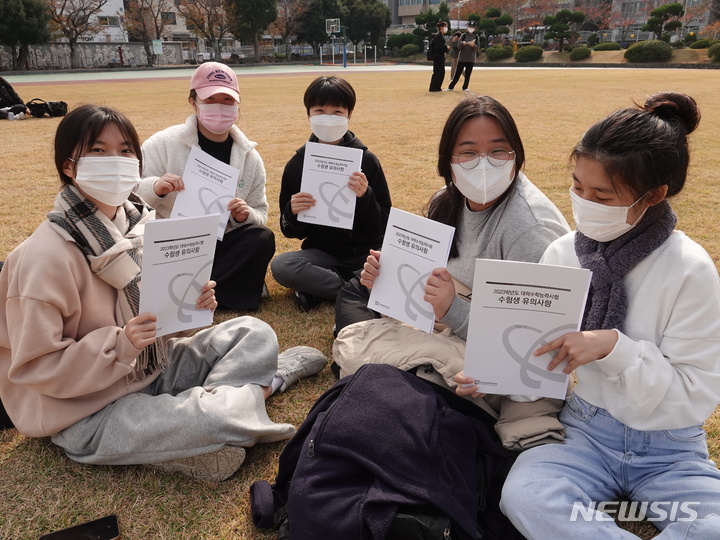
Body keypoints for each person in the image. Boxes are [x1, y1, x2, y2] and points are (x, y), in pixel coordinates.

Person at [0, 104, 327, 482]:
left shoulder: (142, 226)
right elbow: (36, 367)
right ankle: (261, 388)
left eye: (125, 151)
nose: (116, 160)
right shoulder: (41, 257)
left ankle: (213, 418)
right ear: (68, 166)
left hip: (150, 369)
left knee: (254, 332)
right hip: (85, 411)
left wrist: (189, 307)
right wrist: (121, 344)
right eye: (97, 150)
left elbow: (159, 326)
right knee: (212, 419)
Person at [492, 92, 720, 537]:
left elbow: (694, 395)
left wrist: (614, 349)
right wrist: (492, 372)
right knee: (525, 494)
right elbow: (537, 354)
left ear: (654, 195)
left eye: (602, 193)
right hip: (586, 431)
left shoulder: (690, 268)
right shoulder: (561, 253)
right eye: (578, 186)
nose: (584, 201)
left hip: (671, 446)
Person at [334, 95, 569, 337]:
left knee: (370, 355)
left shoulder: (530, 230)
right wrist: (388, 278)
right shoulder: (447, 198)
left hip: (468, 332)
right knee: (356, 289)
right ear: (448, 161)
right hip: (433, 307)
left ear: (515, 154)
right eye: (469, 152)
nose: (483, 164)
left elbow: (526, 338)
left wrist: (451, 309)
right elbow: (425, 272)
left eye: (498, 150)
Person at [138, 62, 273, 311]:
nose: (219, 107)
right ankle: (229, 290)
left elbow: (260, 213)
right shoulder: (163, 143)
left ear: (237, 104)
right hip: (175, 241)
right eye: (210, 99)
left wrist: (245, 216)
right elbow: (132, 198)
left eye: (227, 100)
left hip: (223, 241)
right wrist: (156, 187)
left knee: (261, 238)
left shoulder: (249, 156)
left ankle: (196, 295)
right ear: (193, 102)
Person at [270, 76, 392, 312]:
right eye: (320, 110)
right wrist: (292, 211)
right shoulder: (297, 165)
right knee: (282, 265)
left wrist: (365, 197)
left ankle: (318, 291)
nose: (328, 118)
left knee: (393, 264)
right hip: (323, 254)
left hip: (364, 254)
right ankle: (358, 290)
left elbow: (384, 225)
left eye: (337, 111)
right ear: (308, 114)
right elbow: (289, 231)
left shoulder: (367, 161)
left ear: (349, 115)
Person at [446, 21, 479, 92]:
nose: (471, 28)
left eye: (472, 27)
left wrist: (473, 45)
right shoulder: (463, 35)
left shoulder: (476, 36)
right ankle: (451, 87)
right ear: (467, 27)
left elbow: (477, 48)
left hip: (471, 58)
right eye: (470, 27)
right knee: (457, 73)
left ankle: (465, 87)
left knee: (468, 74)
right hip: (462, 58)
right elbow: (458, 46)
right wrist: (462, 43)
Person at [428, 21, 450, 92]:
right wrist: (446, 48)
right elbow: (438, 48)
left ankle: (437, 87)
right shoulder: (438, 37)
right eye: (445, 26)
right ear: (441, 27)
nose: (446, 28)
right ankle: (434, 87)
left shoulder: (441, 36)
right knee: (437, 73)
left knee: (441, 73)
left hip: (440, 57)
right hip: (438, 57)